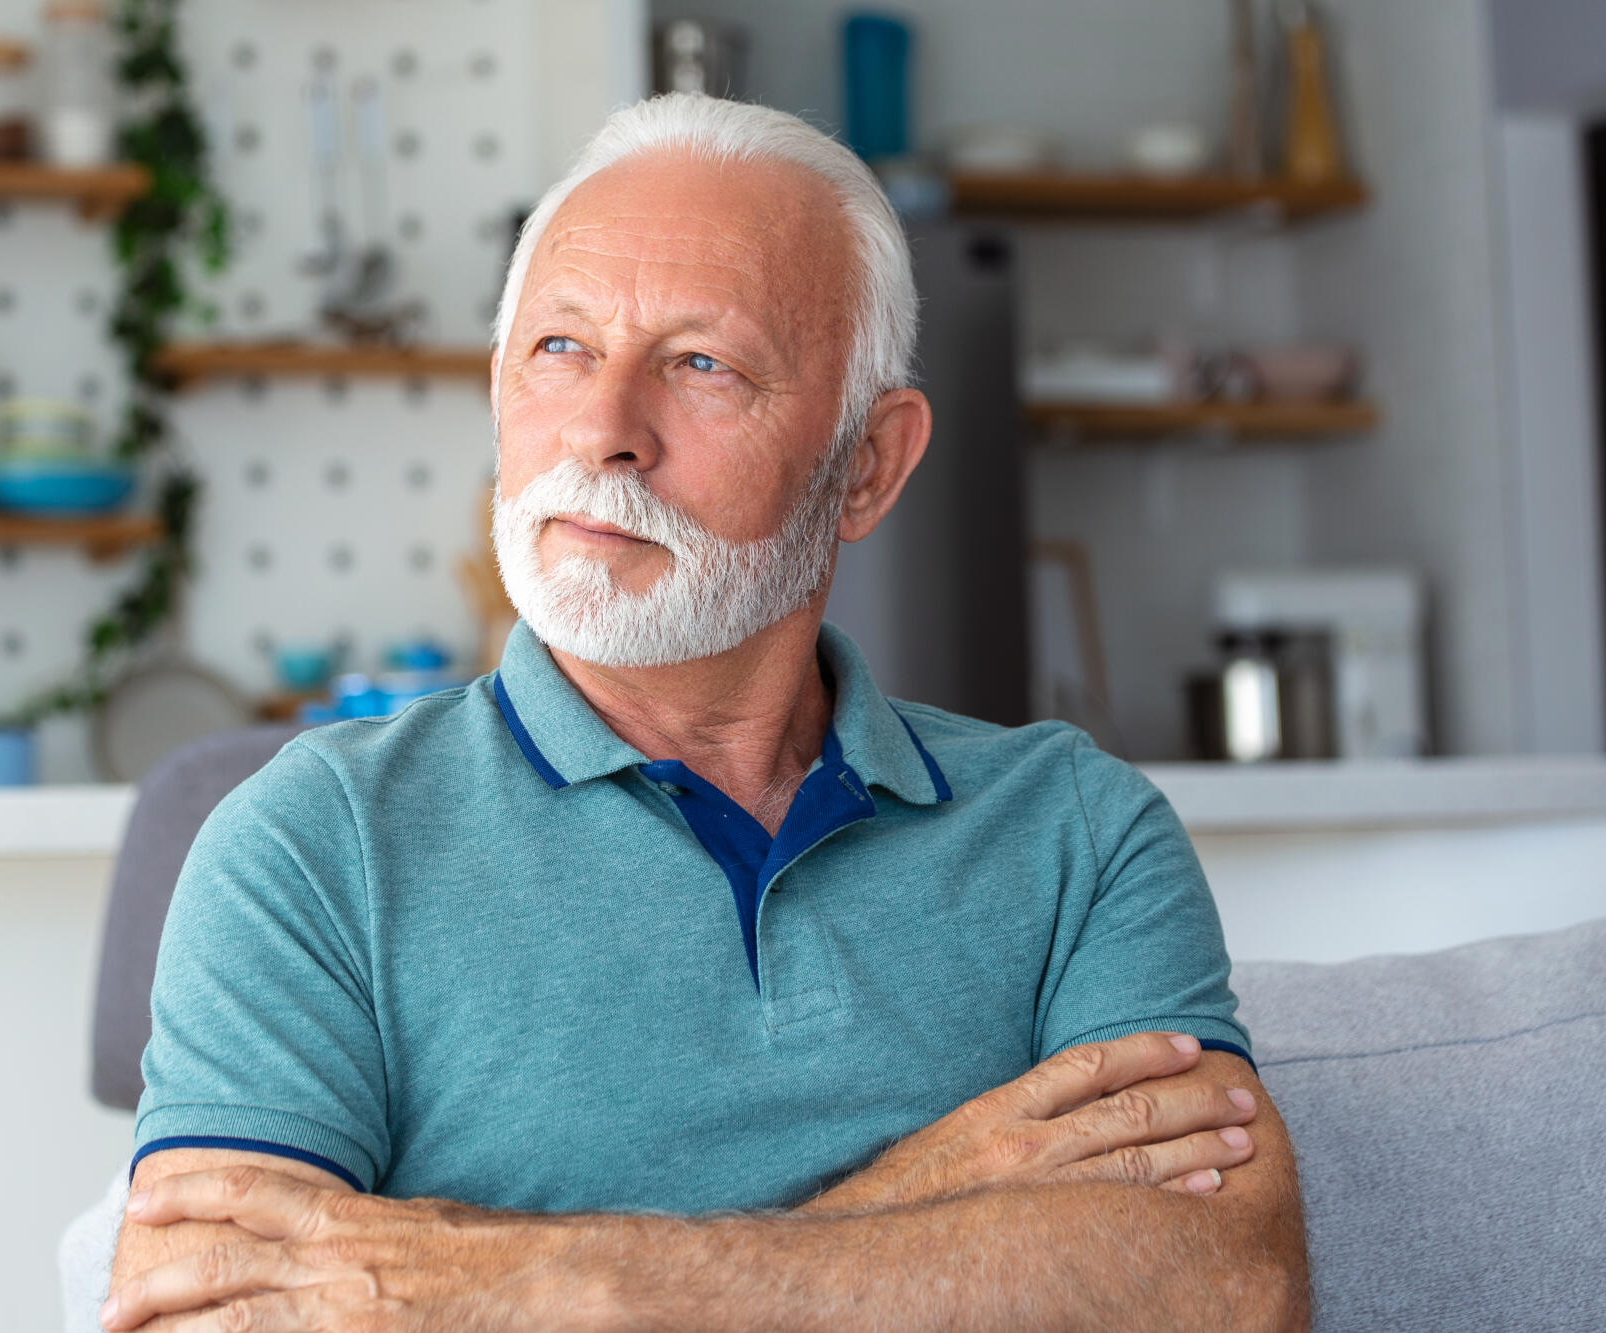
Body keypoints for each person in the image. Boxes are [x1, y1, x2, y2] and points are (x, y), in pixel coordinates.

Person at [99, 92, 1307, 1331]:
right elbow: (206, 1315)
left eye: (700, 364)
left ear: (867, 466)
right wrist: (918, 1201)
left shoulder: (1076, 830)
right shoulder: (309, 838)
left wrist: (548, 1286)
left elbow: (1222, 1286)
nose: (604, 432)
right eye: (559, 349)